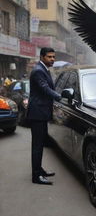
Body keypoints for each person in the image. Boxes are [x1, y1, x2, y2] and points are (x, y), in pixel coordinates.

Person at [27, 47, 61, 185]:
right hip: (37, 114)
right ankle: (36, 176)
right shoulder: (38, 71)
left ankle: (39, 169)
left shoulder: (43, 69)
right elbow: (45, 89)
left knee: (40, 144)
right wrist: (59, 96)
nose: (52, 59)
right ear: (42, 57)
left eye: (53, 57)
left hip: (41, 113)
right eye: (49, 57)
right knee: (37, 146)